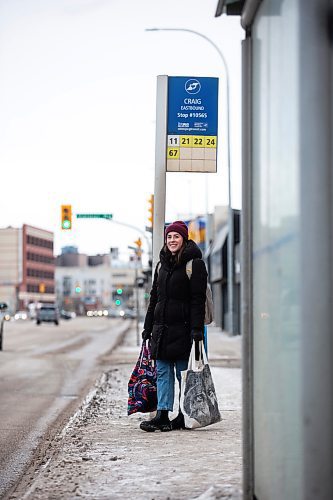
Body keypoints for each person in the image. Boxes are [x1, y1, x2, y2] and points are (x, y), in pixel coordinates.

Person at [140, 220, 207, 432]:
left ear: (184, 238)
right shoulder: (161, 265)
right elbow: (154, 298)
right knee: (162, 372)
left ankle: (182, 414)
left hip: (184, 328)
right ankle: (162, 414)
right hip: (161, 329)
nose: (171, 240)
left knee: (182, 374)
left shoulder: (194, 264)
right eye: (169, 237)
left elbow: (198, 300)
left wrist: (197, 330)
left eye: (176, 236)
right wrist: (147, 326)